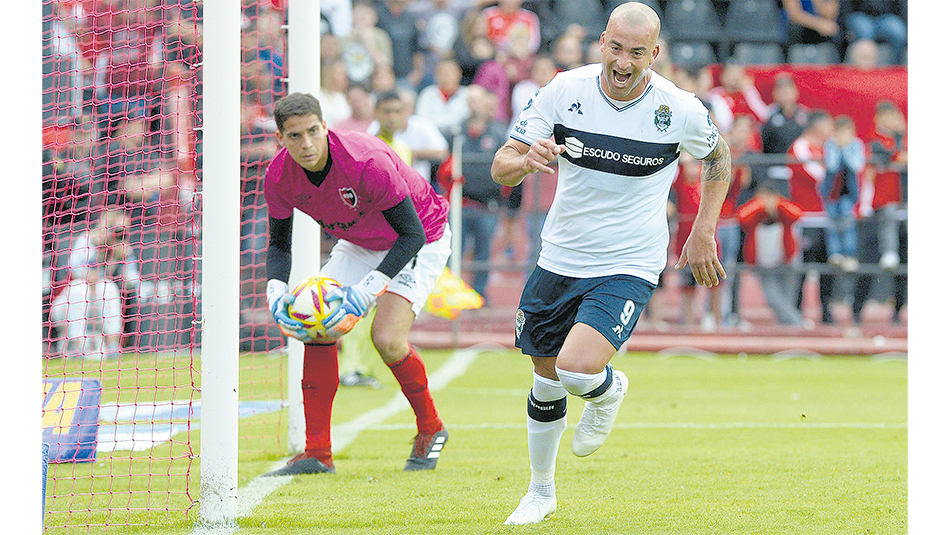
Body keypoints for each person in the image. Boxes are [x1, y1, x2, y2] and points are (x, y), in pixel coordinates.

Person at [490, 2, 731, 524]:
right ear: (602, 41)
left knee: (577, 368)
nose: (624, 62)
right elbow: (501, 165)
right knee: (546, 376)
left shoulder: (679, 108)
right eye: (616, 48)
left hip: (629, 259)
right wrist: (525, 160)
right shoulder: (563, 90)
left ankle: (608, 389)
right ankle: (540, 491)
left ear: (656, 53)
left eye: (637, 53)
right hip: (560, 254)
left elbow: (718, 157)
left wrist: (703, 228)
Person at [261, 92, 452, 475]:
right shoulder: (279, 175)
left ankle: (431, 429)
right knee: (314, 326)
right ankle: (317, 453)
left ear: (325, 127)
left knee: (387, 339)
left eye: (313, 132)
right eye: (295, 136)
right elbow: (279, 244)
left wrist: (368, 290)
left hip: (421, 236)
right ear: (281, 139)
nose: (307, 144)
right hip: (361, 242)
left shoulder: (366, 161)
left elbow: (411, 234)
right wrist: (276, 292)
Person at [787, 110, 835, 325]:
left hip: (828, 216)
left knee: (828, 268)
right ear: (817, 126)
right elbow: (817, 175)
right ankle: (796, 313)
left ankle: (826, 311)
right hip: (806, 217)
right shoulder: (800, 146)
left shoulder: (828, 148)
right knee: (803, 270)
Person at [736, 181, 805, 326]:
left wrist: (778, 203)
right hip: (763, 263)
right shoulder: (755, 214)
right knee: (772, 298)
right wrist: (759, 205)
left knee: (787, 299)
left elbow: (797, 214)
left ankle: (787, 331)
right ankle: (798, 323)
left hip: (786, 260)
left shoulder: (782, 211)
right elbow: (742, 217)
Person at [822, 115, 864, 271]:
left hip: (848, 191)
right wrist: (837, 148)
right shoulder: (830, 145)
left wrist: (845, 149)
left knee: (848, 223)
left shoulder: (856, 145)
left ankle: (850, 255)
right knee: (832, 224)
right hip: (831, 192)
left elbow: (857, 166)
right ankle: (835, 254)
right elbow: (832, 166)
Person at [415, 58, 471, 141]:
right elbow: (421, 119)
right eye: (442, 73)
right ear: (436, 76)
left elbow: (467, 119)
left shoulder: (467, 94)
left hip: (460, 137)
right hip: (432, 138)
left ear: (459, 74)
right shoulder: (427, 94)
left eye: (450, 73)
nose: (446, 76)